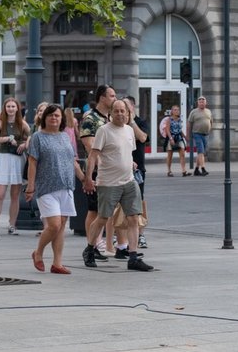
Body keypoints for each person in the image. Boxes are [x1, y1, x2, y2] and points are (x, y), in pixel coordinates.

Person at [82, 99, 153, 272]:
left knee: (133, 218)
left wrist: (131, 164)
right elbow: (93, 156)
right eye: (117, 111)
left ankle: (133, 257)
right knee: (103, 218)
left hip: (129, 181)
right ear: (111, 114)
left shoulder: (129, 130)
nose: (120, 114)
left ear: (128, 114)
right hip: (108, 183)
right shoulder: (103, 131)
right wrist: (89, 178)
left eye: (123, 111)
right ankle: (90, 249)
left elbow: (125, 152)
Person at [25, 104, 85, 274]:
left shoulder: (65, 137)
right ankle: (38, 252)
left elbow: (73, 161)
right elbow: (32, 162)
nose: (54, 118)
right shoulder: (38, 137)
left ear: (62, 118)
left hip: (66, 186)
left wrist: (84, 178)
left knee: (62, 225)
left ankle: (57, 263)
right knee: (54, 225)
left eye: (57, 116)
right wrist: (30, 186)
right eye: (50, 115)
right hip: (46, 187)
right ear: (44, 118)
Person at [79, 84, 116, 258]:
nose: (114, 99)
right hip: (96, 170)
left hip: (112, 170)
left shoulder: (111, 118)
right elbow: (89, 145)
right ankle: (92, 245)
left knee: (105, 210)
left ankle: (98, 243)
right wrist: (102, 165)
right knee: (94, 210)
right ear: (102, 97)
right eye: (112, 96)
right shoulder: (91, 119)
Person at [0, 97, 30, 236]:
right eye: (8, 106)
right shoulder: (0, 122)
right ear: (5, 109)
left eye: (13, 106)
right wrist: (6, 139)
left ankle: (12, 225)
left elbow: (32, 137)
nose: (11, 109)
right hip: (4, 158)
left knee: (15, 195)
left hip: (17, 160)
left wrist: (24, 144)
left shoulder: (22, 123)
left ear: (17, 108)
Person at [126, 96, 150, 250]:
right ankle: (119, 236)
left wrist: (132, 122)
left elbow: (142, 137)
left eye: (127, 108)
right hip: (121, 168)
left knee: (139, 202)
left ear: (133, 107)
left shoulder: (140, 122)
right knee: (120, 205)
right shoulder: (118, 125)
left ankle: (141, 234)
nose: (124, 112)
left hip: (138, 169)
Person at [186, 96, 213, 176]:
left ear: (205, 103)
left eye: (203, 101)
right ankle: (203, 168)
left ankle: (196, 169)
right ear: (198, 103)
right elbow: (189, 124)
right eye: (200, 101)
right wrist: (188, 135)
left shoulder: (208, 111)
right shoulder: (193, 112)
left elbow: (211, 121)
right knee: (201, 151)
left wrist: (210, 129)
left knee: (200, 152)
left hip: (206, 134)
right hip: (197, 133)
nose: (202, 103)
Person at [163, 104, 188, 176]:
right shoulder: (169, 119)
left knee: (182, 153)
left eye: (178, 110)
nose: (177, 111)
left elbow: (180, 130)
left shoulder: (179, 119)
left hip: (179, 138)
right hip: (171, 137)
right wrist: (171, 139)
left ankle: (184, 170)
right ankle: (169, 170)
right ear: (172, 111)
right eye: (175, 110)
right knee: (170, 155)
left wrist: (185, 137)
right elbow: (167, 130)